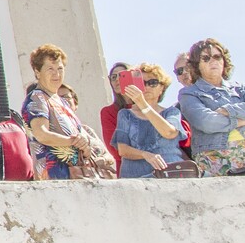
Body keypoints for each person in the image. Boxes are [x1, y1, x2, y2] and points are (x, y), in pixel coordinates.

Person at [180, 39, 245, 175]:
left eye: (217, 57)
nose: (213, 61)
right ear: (196, 65)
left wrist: (227, 110)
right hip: (214, 155)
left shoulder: (242, 88)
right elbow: (206, 122)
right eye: (206, 58)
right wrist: (240, 121)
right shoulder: (189, 93)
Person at [23, 44, 115, 179]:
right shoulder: (37, 98)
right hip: (55, 179)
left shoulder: (62, 102)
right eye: (50, 69)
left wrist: (84, 146)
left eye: (60, 68)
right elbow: (41, 134)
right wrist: (73, 141)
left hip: (78, 175)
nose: (56, 74)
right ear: (38, 72)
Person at [115, 63, 188, 178]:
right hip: (135, 178)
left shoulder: (171, 112)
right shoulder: (125, 114)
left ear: (162, 88)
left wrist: (143, 105)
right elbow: (123, 150)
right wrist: (145, 155)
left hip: (169, 174)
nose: (147, 87)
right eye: (142, 83)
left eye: (153, 82)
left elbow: (169, 133)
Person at [102, 63, 135, 150]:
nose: (117, 79)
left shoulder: (146, 107)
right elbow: (114, 148)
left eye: (122, 75)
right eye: (113, 77)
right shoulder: (109, 112)